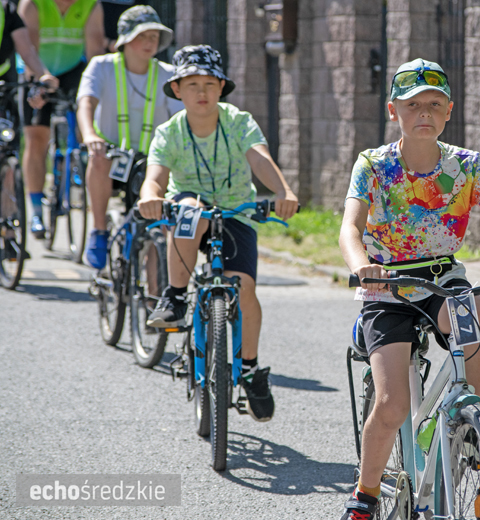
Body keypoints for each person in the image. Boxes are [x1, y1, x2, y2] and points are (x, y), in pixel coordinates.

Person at [338, 58, 480, 520]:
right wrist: (363, 266)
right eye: (413, 104)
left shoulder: (466, 166)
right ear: (393, 110)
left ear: (449, 111)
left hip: (442, 276)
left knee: (476, 310)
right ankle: (365, 494)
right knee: (392, 402)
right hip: (388, 285)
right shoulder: (374, 165)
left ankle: (473, 416)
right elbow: (350, 228)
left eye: (434, 104)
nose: (424, 112)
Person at [136, 45, 299, 422]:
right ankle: (176, 297)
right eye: (191, 83)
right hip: (190, 205)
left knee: (245, 288)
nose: (201, 91)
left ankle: (252, 370)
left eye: (209, 83)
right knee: (190, 212)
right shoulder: (169, 131)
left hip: (235, 211)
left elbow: (259, 158)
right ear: (177, 89)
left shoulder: (239, 121)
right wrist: (150, 198)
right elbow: (155, 178)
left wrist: (283, 192)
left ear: (222, 86)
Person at [76, 5, 183, 269]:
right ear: (125, 39)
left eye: (154, 37)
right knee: (98, 158)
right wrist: (90, 134)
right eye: (142, 35)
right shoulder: (101, 66)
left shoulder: (168, 74)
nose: (150, 42)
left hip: (152, 161)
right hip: (112, 154)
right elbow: (86, 103)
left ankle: (155, 293)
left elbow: (181, 120)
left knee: (161, 223)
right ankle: (99, 231)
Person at [18, 0, 105, 239]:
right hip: (37, 71)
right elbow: (29, 48)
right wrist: (39, 83)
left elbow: (95, 49)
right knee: (36, 139)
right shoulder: (34, 4)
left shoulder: (90, 5)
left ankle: (77, 164)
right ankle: (36, 209)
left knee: (85, 117)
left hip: (72, 71)